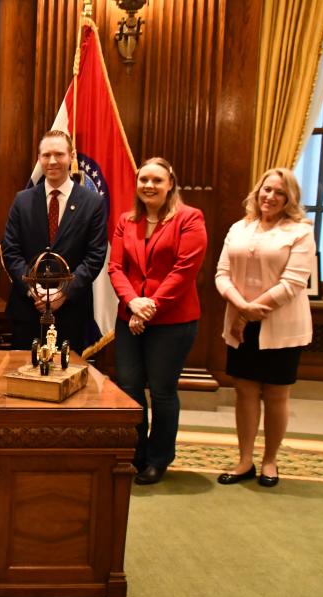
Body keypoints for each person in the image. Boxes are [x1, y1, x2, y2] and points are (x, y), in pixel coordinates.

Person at [107, 158, 207, 485]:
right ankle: (134, 454)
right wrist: (132, 302)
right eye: (143, 179)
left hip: (173, 321)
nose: (149, 185)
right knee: (129, 388)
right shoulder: (126, 220)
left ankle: (158, 458)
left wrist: (147, 309)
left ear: (170, 184)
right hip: (130, 317)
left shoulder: (189, 219)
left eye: (157, 180)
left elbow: (183, 271)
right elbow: (116, 268)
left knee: (162, 392)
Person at [215, 168, 315, 488]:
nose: (270, 197)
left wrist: (250, 311)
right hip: (241, 324)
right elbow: (221, 274)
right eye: (266, 189)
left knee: (275, 394)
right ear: (257, 192)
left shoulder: (300, 231)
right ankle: (245, 460)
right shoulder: (239, 227)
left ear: (290, 199)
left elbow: (293, 283)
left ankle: (270, 461)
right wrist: (241, 308)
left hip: (282, 325)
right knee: (244, 391)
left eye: (279, 193)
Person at [1, 130, 107, 353]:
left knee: (66, 376)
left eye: (59, 154)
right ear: (39, 158)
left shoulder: (92, 202)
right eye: (46, 155)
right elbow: (11, 251)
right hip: (28, 309)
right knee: (25, 379)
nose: (52, 161)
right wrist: (35, 291)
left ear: (71, 157)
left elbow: (95, 256)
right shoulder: (22, 200)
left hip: (71, 311)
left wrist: (64, 293)